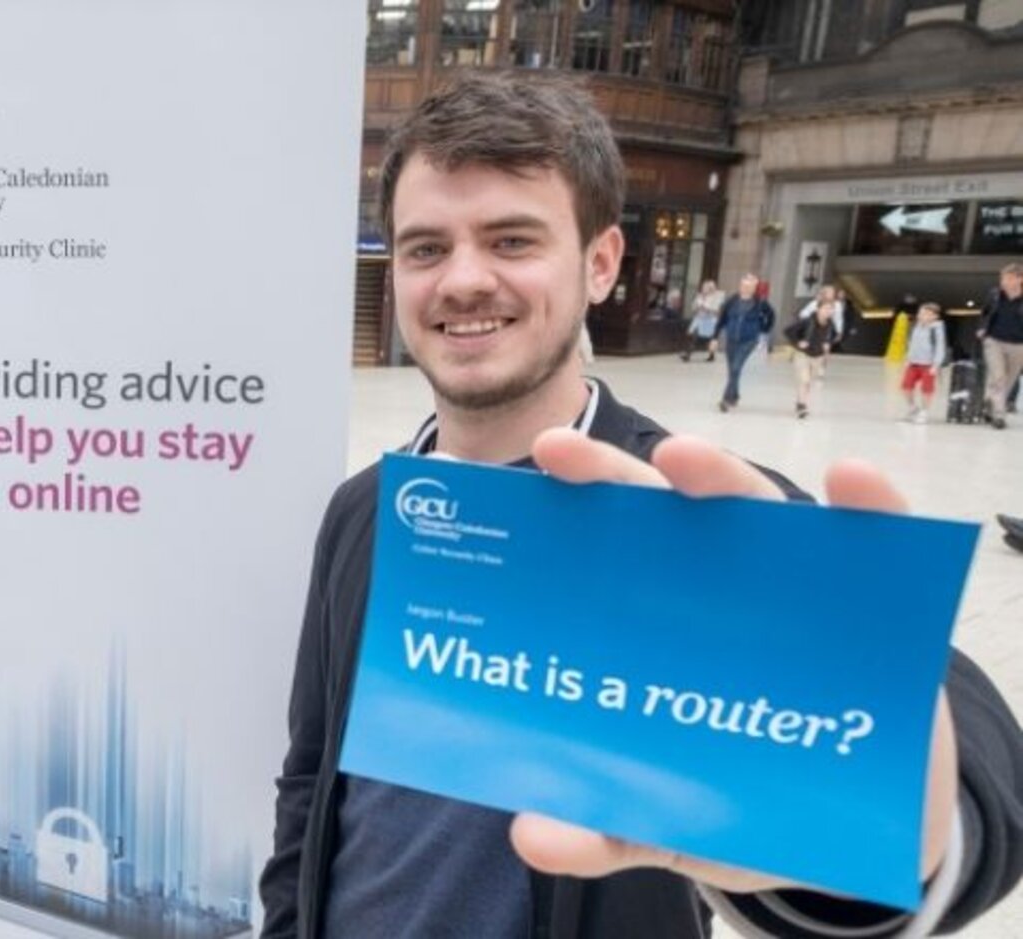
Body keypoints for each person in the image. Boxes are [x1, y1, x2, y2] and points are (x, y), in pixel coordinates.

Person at [259, 70, 1023, 939]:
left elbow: (945, 716)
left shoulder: (687, 503)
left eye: (511, 240)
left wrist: (910, 838)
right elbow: (312, 776)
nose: (462, 280)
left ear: (601, 263)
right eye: (426, 248)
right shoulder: (365, 511)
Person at [712, 273, 775, 413]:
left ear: (754, 288)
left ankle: (726, 400)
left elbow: (771, 316)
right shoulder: (731, 301)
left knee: (735, 368)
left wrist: (763, 329)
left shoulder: (760, 303)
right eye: (744, 285)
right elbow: (721, 319)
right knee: (733, 370)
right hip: (731, 340)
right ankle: (735, 395)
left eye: (749, 286)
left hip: (749, 340)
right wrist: (714, 338)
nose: (745, 288)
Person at [979, 263, 1023, 430]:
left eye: (1009, 278)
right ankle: (999, 414)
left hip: (1019, 345)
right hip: (994, 341)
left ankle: (989, 401)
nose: (1004, 281)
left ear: (1020, 279)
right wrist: (982, 328)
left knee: (1009, 380)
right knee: (999, 377)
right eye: (1003, 278)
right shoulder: (994, 294)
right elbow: (985, 312)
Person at [785, 299, 840, 419]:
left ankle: (800, 401)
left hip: (817, 356)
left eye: (831, 309)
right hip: (803, 354)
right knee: (804, 380)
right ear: (818, 309)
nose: (828, 312)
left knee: (808, 382)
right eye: (825, 308)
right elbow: (788, 331)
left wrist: (828, 342)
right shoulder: (807, 321)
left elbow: (835, 335)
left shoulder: (830, 324)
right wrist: (798, 342)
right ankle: (802, 405)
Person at [903, 302, 948, 423]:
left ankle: (924, 411)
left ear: (935, 316)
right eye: (921, 313)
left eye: (927, 314)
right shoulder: (914, 327)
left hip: (928, 364)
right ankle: (913, 408)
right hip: (913, 362)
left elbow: (940, 347)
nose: (922, 316)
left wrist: (936, 365)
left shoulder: (937, 329)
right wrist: (907, 358)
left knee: (926, 389)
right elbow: (910, 344)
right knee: (906, 386)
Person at [682, 278, 723, 363]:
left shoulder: (716, 297)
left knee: (710, 339)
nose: (704, 289)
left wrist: (706, 308)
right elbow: (693, 307)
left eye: (707, 287)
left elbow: (717, 311)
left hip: (710, 320)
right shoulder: (699, 296)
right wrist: (696, 308)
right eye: (704, 287)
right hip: (699, 319)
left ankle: (711, 355)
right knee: (692, 335)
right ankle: (687, 354)